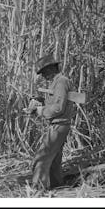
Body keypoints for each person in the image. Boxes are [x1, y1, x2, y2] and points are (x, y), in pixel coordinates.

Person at [31, 54, 74, 189]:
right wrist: (41, 101)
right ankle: (56, 184)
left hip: (59, 125)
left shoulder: (61, 81)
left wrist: (40, 110)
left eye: (44, 72)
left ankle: (38, 188)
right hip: (58, 124)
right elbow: (56, 102)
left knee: (42, 157)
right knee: (54, 158)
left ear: (51, 68)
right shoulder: (57, 82)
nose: (43, 76)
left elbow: (58, 108)